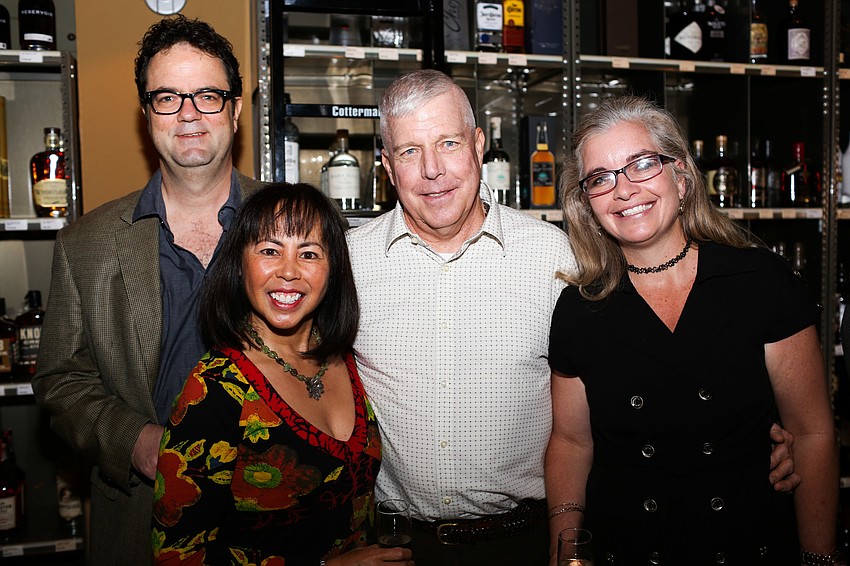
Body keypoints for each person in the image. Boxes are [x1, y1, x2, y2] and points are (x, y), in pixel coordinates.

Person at [545, 95, 838, 565]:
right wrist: (566, 549)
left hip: (748, 541)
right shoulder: (580, 308)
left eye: (642, 164)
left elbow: (811, 432)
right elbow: (571, 442)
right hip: (632, 546)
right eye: (601, 178)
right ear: (586, 204)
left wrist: (821, 559)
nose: (623, 190)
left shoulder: (758, 280)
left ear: (680, 177)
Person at [31, 15, 262, 564]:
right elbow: (60, 382)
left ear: (234, 110)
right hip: (141, 526)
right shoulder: (85, 243)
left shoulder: (295, 226)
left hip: (276, 519)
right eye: (167, 97)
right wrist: (134, 441)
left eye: (208, 95)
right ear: (146, 115)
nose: (188, 115)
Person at [346, 68, 575, 564]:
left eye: (448, 142)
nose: (432, 169)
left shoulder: (550, 257)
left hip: (522, 545)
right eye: (410, 151)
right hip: (394, 549)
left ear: (477, 144)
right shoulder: (348, 263)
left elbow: (598, 407)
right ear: (387, 166)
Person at [151, 182, 410, 565]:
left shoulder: (349, 360)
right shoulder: (215, 389)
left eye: (309, 253)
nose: (289, 271)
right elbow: (176, 557)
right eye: (270, 251)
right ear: (240, 264)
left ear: (332, 269)